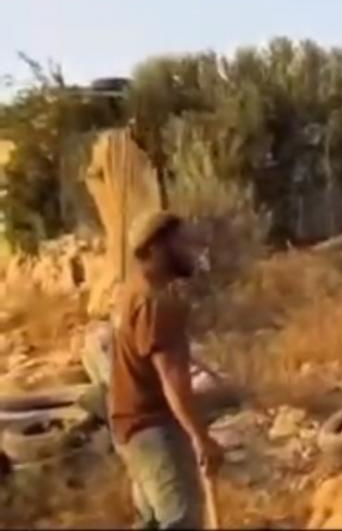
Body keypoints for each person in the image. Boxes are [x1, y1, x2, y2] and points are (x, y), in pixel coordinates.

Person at [109, 210, 222, 529]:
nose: (190, 249)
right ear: (156, 249)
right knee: (181, 520)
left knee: (152, 522)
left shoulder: (131, 292)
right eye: (181, 242)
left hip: (130, 428)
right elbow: (172, 379)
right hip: (153, 430)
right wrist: (201, 438)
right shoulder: (155, 302)